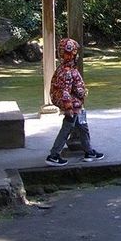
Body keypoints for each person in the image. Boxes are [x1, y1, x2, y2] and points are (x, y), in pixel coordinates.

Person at [45, 38, 105, 166]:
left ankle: (89, 151)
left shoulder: (64, 69)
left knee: (83, 127)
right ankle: (54, 155)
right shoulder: (66, 72)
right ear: (72, 54)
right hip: (73, 107)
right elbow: (64, 91)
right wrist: (68, 107)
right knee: (66, 129)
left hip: (77, 106)